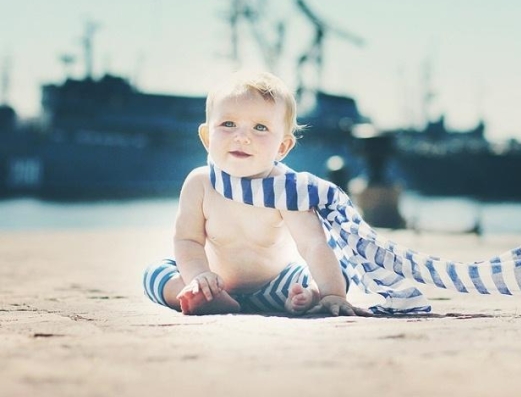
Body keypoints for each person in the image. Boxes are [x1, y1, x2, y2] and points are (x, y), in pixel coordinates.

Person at [143, 71, 369, 317]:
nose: (242, 137)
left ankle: (311, 295)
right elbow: (188, 240)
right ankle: (206, 297)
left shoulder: (287, 188)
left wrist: (332, 293)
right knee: (155, 273)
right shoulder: (201, 183)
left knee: (338, 269)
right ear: (207, 137)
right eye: (228, 124)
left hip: (276, 287)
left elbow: (313, 245)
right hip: (215, 281)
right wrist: (200, 277)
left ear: (282, 146)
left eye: (260, 127)